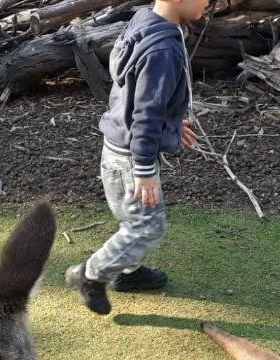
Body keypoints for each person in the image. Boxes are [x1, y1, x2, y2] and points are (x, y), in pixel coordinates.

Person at [65, 0, 208, 315]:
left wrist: (170, 124)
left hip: (115, 146)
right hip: (132, 158)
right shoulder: (163, 51)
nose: (210, 1)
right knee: (147, 227)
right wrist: (144, 171)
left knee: (133, 218)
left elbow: (133, 91)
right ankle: (90, 274)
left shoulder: (145, 22)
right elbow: (146, 114)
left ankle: (128, 272)